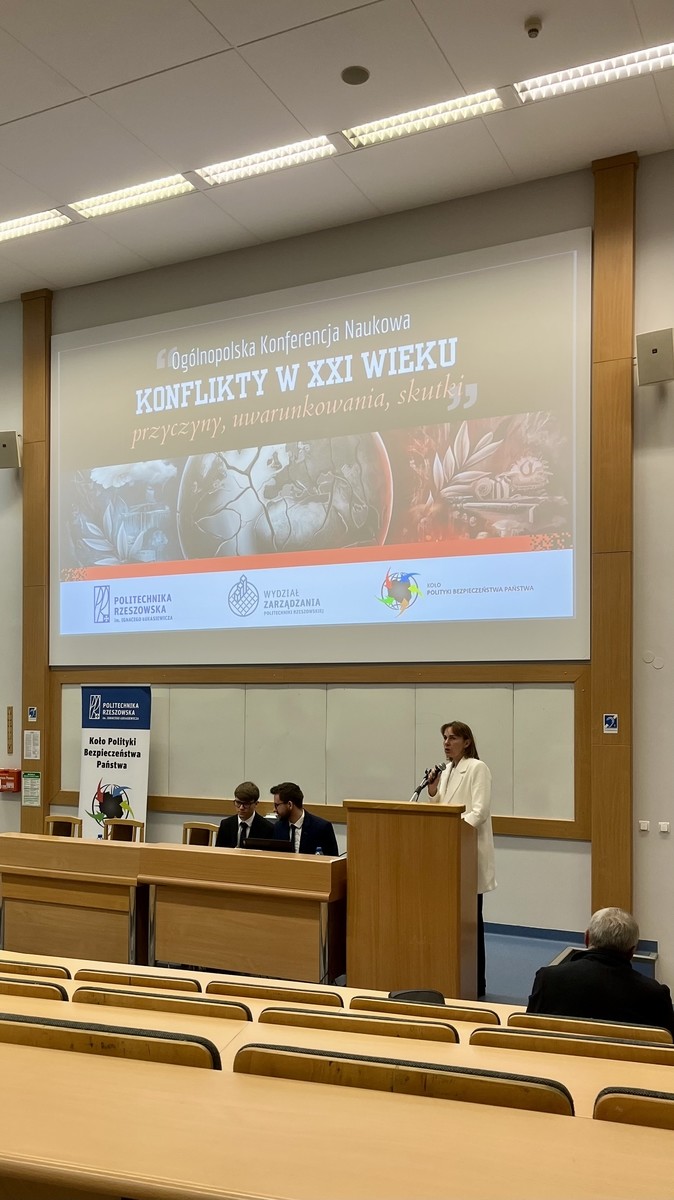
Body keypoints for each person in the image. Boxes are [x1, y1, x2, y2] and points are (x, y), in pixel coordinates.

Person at [526, 907, 674, 1037]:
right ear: (632, 951)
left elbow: (528, 1033)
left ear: (587, 938)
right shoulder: (655, 995)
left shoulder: (548, 979)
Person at [426, 720, 495, 998]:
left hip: (467, 855)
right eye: (444, 738)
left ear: (466, 742)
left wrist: (452, 830)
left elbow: (480, 811)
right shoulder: (447, 770)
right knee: (449, 919)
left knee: (470, 922)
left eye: (453, 738)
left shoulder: (477, 768)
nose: (446, 743)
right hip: (447, 855)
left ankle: (476, 983)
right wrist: (432, 790)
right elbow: (441, 807)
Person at [271, 781, 339, 855]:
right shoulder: (278, 827)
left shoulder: (321, 828)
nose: (274, 810)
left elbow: (333, 859)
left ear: (290, 805)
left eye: (276, 805)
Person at [215, 780, 271, 848]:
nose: (241, 808)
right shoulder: (226, 824)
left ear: (256, 804)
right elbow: (219, 851)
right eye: (238, 803)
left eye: (246, 804)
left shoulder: (267, 828)